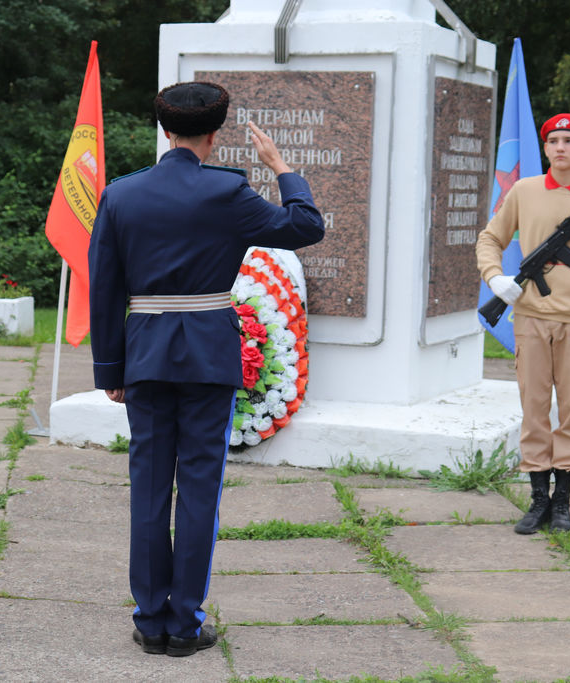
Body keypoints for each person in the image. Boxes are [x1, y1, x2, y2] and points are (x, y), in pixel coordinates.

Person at [88, 81, 325, 657]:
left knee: (148, 489)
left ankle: (150, 620)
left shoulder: (121, 195)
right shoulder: (227, 192)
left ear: (165, 130)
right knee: (198, 490)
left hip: (145, 355)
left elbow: (104, 287)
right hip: (208, 358)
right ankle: (185, 624)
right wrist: (281, 167)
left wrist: (110, 369)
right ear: (214, 135)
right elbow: (306, 226)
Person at [476, 113, 570, 534]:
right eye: (553, 141)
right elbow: (490, 238)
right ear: (545, 148)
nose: (561, 147)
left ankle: (563, 502)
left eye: (569, 140)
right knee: (534, 409)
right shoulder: (524, 191)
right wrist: (495, 278)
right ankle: (538, 499)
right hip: (532, 317)